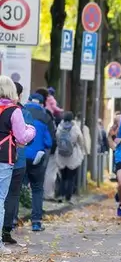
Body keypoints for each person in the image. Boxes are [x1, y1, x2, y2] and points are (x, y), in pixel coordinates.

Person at [0, 77, 35, 251]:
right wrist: (31, 130)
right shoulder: (14, 111)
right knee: (1, 199)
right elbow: (22, 137)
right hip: (4, 158)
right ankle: (1, 239)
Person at [22, 91, 55, 232]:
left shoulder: (21, 112)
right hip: (37, 158)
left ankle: (11, 222)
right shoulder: (45, 116)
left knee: (16, 190)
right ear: (42, 103)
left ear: (28, 100)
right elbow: (49, 141)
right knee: (37, 189)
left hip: (20, 156)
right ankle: (36, 222)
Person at [55, 112, 86, 202]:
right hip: (73, 155)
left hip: (61, 154)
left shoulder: (60, 127)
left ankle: (61, 194)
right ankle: (68, 196)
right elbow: (80, 139)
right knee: (71, 177)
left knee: (63, 176)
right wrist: (82, 149)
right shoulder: (75, 127)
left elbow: (57, 138)